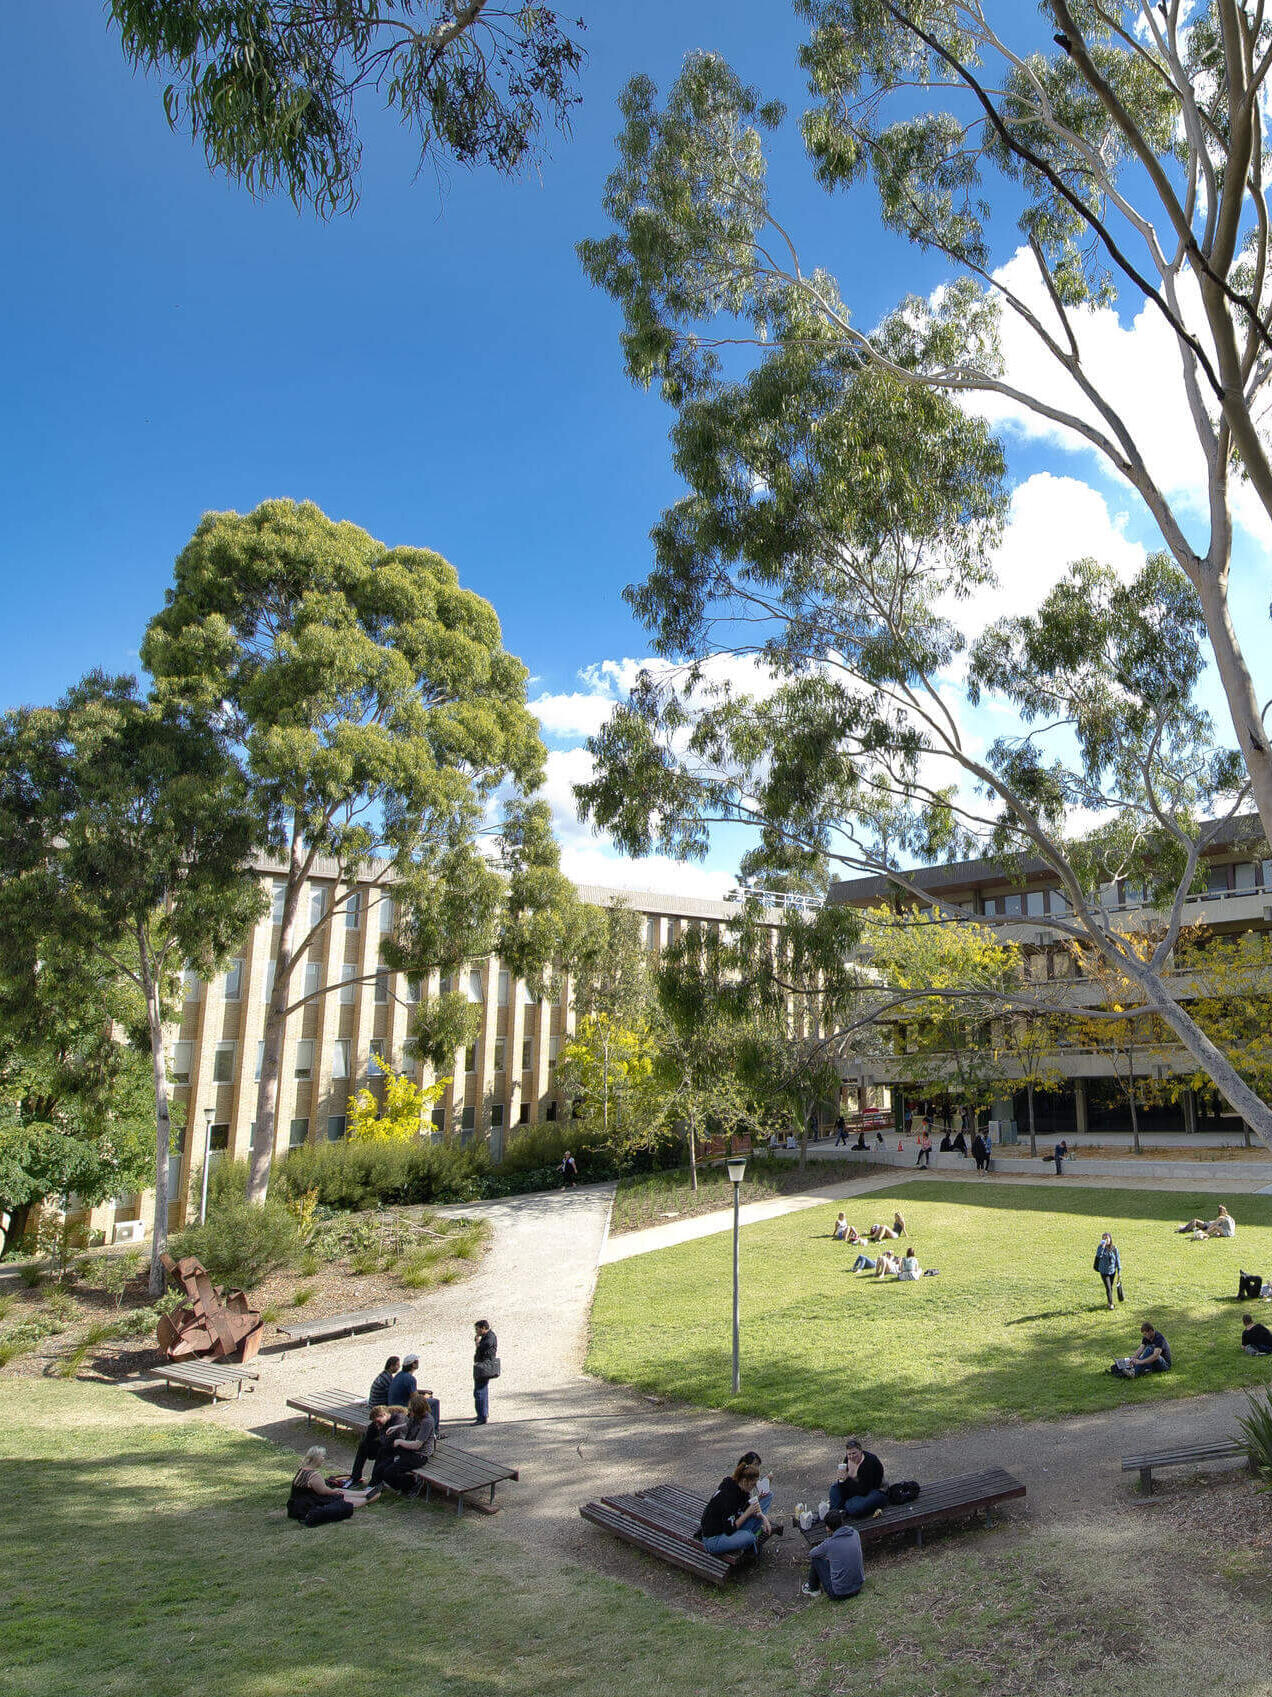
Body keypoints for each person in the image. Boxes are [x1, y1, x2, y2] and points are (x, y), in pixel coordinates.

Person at [697, 1458, 776, 1558]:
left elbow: (744, 1508)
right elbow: (730, 1529)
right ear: (744, 1481)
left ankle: (745, 1537)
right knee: (750, 1537)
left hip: (733, 1524)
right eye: (753, 1484)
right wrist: (748, 1512)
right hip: (715, 1539)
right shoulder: (728, 1499)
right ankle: (746, 1538)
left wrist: (764, 1518)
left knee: (768, 1495)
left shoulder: (740, 1488)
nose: (754, 1487)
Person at [288, 1445, 379, 1524]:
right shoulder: (314, 1475)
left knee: (339, 1491)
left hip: (299, 1503)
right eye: (322, 1457)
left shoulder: (302, 1470)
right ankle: (366, 1499)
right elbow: (323, 1491)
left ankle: (363, 1493)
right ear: (316, 1458)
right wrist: (334, 1491)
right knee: (339, 1496)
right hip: (308, 1505)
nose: (323, 1459)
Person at [373, 1390, 438, 1493]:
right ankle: (375, 1483)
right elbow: (408, 1425)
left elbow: (417, 1445)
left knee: (388, 1473)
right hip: (409, 1450)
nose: (410, 1412)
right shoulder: (416, 1416)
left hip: (419, 1455)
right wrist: (396, 1427)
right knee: (383, 1454)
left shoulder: (427, 1421)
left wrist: (399, 1442)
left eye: (412, 1410)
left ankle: (411, 1484)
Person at [801, 1510, 865, 1599]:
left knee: (816, 1560)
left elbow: (812, 1553)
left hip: (839, 1593)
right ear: (842, 1521)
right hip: (858, 1586)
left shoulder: (830, 1543)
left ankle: (813, 1588)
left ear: (828, 1528)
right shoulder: (854, 1533)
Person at [828, 1437, 888, 1518]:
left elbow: (864, 1490)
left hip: (873, 1491)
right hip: (855, 1490)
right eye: (849, 1454)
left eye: (854, 1453)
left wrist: (847, 1480)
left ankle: (843, 1508)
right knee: (834, 1487)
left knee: (854, 1507)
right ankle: (834, 1515)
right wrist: (841, 1479)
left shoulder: (869, 1462)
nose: (852, 1456)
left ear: (860, 1451)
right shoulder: (847, 1460)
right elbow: (844, 1483)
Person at [349, 1404, 396, 1487]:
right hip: (382, 1445)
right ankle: (355, 1477)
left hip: (393, 1450)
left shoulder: (396, 1420)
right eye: (375, 1422)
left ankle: (375, 1482)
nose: (377, 1424)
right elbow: (368, 1438)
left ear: (384, 1415)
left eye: (378, 1421)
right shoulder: (376, 1424)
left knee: (382, 1450)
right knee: (363, 1445)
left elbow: (389, 1441)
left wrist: (381, 1431)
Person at [473, 1318, 498, 1424]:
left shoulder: (490, 1337)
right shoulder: (488, 1336)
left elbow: (484, 1348)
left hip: (484, 1367)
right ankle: (483, 1413)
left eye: (477, 1329)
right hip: (483, 1366)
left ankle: (482, 1417)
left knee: (479, 1392)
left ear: (483, 1328)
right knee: (482, 1390)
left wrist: (478, 1343)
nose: (476, 1332)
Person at [1093, 1232, 1121, 1309]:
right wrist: (1102, 1247)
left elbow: (1117, 1260)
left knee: (1110, 1287)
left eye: (1106, 1238)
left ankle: (1109, 1301)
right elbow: (1099, 1255)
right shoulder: (1100, 1248)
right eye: (1103, 1238)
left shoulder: (1114, 1249)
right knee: (1108, 1288)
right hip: (1104, 1271)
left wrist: (1119, 1271)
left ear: (1110, 1239)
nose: (1105, 1240)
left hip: (1112, 1271)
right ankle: (1111, 1304)